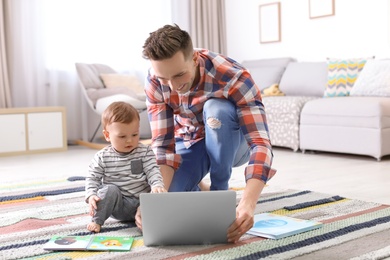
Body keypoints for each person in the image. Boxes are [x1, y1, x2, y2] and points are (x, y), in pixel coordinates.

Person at [137, 24, 276, 243]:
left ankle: (220, 192)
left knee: (216, 110)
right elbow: (163, 146)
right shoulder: (154, 79)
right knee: (167, 206)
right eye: (165, 79)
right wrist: (155, 200)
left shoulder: (233, 77)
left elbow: (260, 143)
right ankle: (200, 186)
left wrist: (248, 204)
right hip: (191, 140)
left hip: (233, 143)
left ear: (194, 58)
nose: (173, 87)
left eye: (179, 75)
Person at [85, 101, 166, 233]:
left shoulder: (145, 152)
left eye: (134, 135)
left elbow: (153, 170)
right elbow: (92, 178)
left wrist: (157, 185)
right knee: (109, 190)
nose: (129, 140)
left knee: (158, 193)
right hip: (118, 206)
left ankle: (152, 219)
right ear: (107, 135)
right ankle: (97, 220)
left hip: (142, 204)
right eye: (122, 136)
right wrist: (91, 195)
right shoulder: (102, 157)